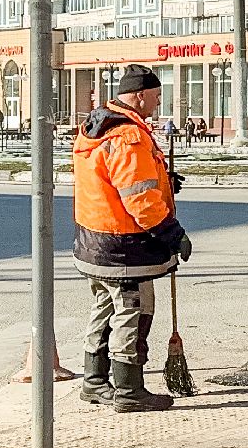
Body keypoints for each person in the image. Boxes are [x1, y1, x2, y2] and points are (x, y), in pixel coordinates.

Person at [72, 64, 191, 412]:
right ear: (140, 96)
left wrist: (164, 181)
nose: (158, 103)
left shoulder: (96, 127)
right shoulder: (129, 137)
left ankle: (94, 382)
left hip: (94, 242)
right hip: (124, 247)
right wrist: (172, 233)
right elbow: (139, 199)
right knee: (132, 312)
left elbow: (115, 180)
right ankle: (129, 390)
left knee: (103, 307)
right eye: (155, 96)